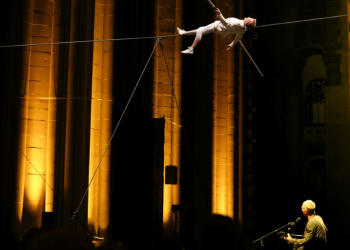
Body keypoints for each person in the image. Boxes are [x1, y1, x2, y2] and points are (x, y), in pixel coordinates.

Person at [177, 8, 256, 55]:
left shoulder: (239, 23)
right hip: (221, 30)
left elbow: (226, 23)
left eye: (249, 18)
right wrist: (231, 45)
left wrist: (219, 14)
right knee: (200, 30)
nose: (248, 17)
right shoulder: (243, 28)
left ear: (247, 22)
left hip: (218, 27)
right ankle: (184, 32)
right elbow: (238, 37)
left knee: (200, 31)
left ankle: (191, 49)